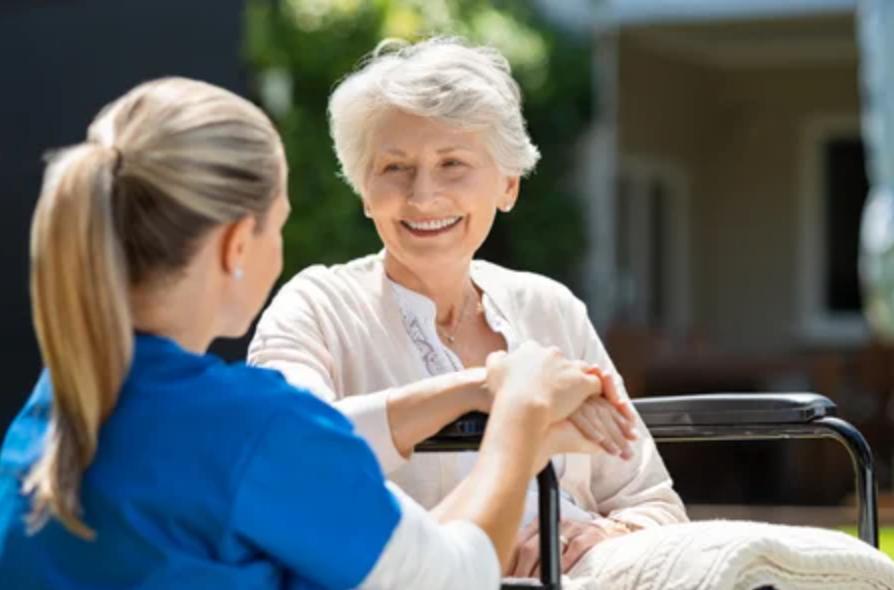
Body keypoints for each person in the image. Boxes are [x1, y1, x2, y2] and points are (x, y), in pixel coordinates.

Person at [0, 77, 613, 589]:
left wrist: (470, 388)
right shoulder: (253, 429)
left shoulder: (55, 407)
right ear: (239, 243)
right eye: (280, 225)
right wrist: (520, 413)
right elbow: (454, 576)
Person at [248, 37, 688, 581]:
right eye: (394, 168)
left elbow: (654, 503)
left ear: (507, 185)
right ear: (365, 190)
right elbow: (289, 458)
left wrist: (597, 537)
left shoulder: (550, 309)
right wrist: (489, 388)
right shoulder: (314, 307)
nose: (423, 195)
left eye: (452, 164)